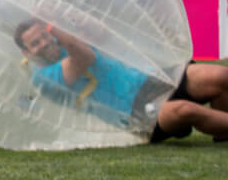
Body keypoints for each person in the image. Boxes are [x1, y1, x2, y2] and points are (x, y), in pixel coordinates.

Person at [15, 19, 228, 143]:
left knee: (219, 76)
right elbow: (83, 58)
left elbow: (100, 29)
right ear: (27, 52)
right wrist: (54, 27)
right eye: (35, 43)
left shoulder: (64, 44)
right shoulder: (43, 78)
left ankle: (222, 134)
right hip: (135, 113)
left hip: (149, 80)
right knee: (184, 110)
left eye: (44, 36)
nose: (44, 43)